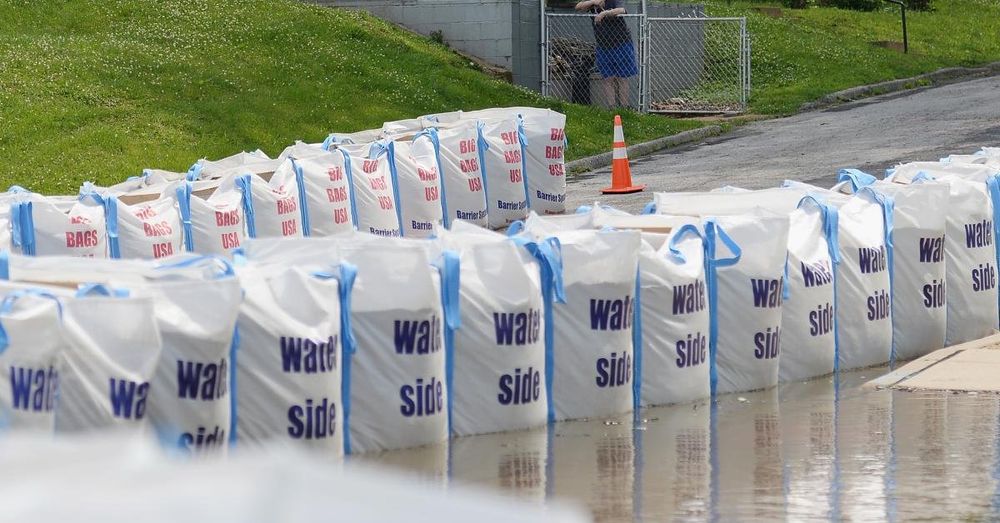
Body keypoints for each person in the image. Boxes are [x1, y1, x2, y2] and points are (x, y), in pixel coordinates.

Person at [574, 0, 638, 108]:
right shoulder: (593, 4)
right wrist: (593, 1)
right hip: (603, 46)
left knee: (622, 77)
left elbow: (622, 10)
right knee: (607, 78)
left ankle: (624, 107)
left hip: (621, 43)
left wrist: (604, 13)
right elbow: (578, 6)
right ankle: (611, 107)